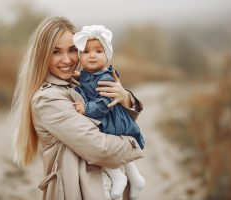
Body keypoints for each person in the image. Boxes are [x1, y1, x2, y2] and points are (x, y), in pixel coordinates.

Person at [11, 16, 144, 200]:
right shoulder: (48, 99)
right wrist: (133, 143)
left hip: (104, 188)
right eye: (56, 51)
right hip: (79, 192)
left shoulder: (77, 82)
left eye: (72, 50)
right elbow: (101, 149)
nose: (67, 59)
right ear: (42, 55)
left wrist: (125, 98)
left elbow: (113, 122)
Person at [72, 25, 145, 200]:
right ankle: (136, 178)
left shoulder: (105, 77)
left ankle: (117, 176)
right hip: (109, 117)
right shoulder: (86, 75)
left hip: (110, 119)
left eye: (98, 51)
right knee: (114, 148)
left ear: (107, 55)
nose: (92, 55)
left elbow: (105, 103)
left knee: (106, 143)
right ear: (80, 55)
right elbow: (84, 83)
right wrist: (76, 77)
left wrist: (86, 109)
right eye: (86, 51)